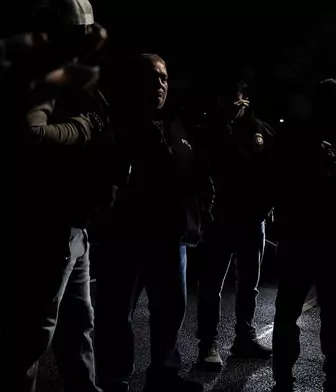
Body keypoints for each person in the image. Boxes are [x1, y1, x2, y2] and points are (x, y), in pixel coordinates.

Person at [0, 1, 110, 391]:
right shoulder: (39, 73)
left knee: (77, 325)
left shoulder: (68, 74)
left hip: (73, 224)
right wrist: (83, 127)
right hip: (48, 223)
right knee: (34, 334)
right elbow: (31, 134)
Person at [94, 54, 213, 392]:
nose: (159, 84)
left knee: (171, 310)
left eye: (163, 78)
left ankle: (164, 374)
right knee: (118, 313)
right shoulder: (115, 122)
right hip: (127, 236)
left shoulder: (175, 122)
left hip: (171, 236)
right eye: (151, 77)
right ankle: (114, 379)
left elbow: (188, 170)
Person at [271, 79, 336, 392]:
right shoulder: (295, 138)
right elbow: (278, 180)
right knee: (288, 311)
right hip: (301, 236)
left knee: (333, 313)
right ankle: (283, 380)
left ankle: (334, 374)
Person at [194, 80, 275, 371]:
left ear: (245, 99)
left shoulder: (260, 129)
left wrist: (267, 208)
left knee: (249, 285)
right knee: (211, 285)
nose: (229, 104)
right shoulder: (210, 130)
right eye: (224, 98)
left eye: (235, 98)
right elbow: (199, 173)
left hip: (253, 221)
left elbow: (273, 172)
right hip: (221, 222)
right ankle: (208, 344)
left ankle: (244, 338)